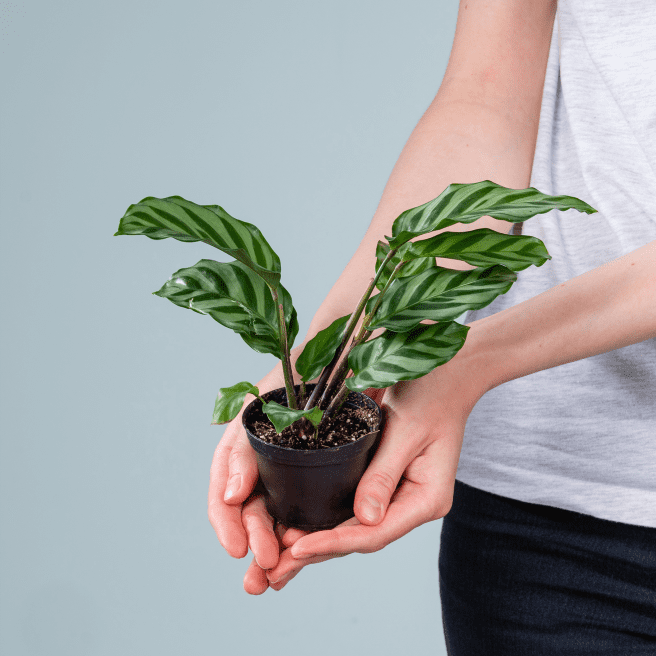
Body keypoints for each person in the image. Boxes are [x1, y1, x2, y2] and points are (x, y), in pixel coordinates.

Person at [208, 0, 656, 651]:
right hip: (545, 519)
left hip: (504, 386)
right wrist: (332, 361)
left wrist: (471, 362)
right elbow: (487, 97)